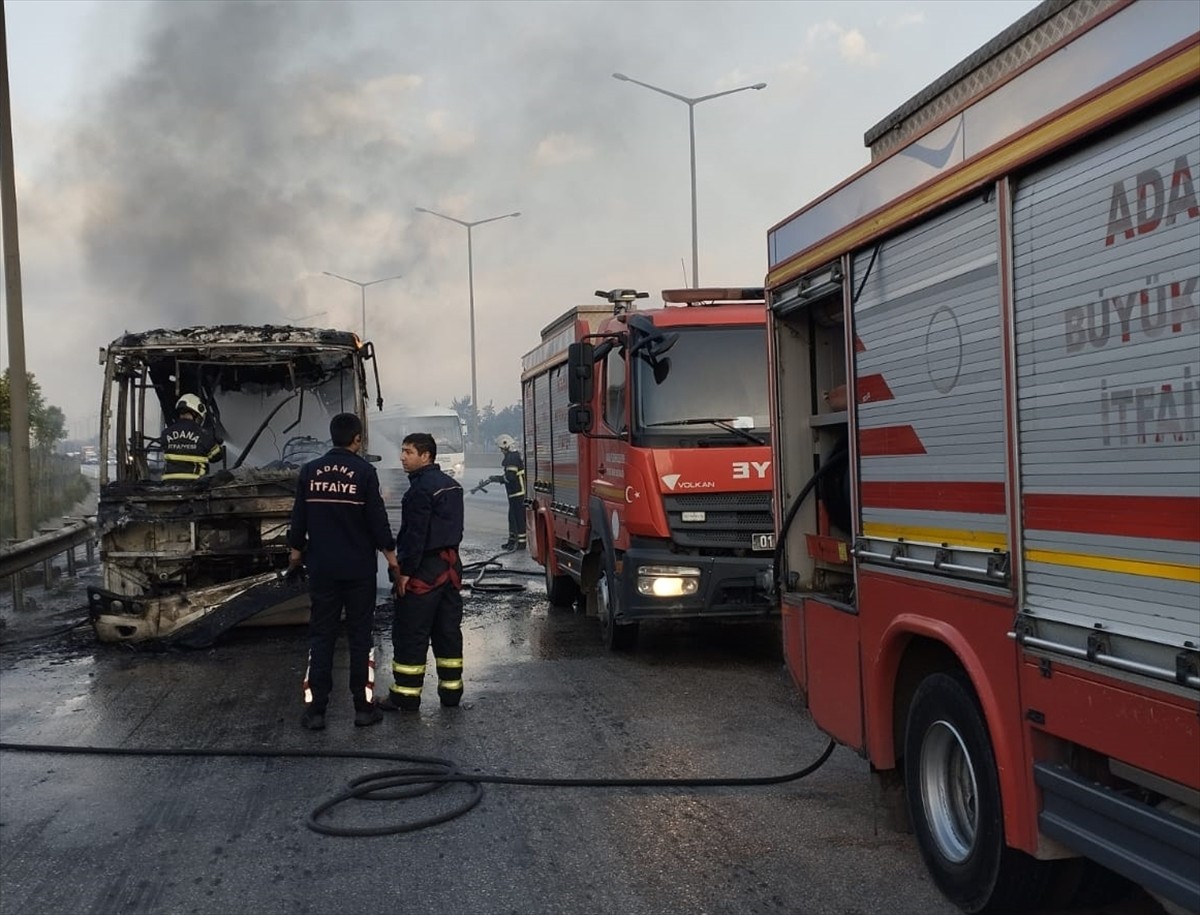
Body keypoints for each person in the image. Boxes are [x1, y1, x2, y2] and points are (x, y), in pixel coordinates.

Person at [287, 412, 400, 730]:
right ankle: (363, 709)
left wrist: (296, 553)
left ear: (332, 437)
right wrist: (391, 557)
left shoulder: (310, 471)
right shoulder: (365, 472)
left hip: (322, 568)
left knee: (321, 637)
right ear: (358, 439)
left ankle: (316, 712)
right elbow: (377, 520)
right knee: (360, 638)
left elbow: (299, 519)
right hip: (358, 570)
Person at [377, 432, 465, 713]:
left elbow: (414, 537)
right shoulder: (452, 486)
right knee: (447, 631)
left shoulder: (418, 491)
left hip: (424, 571)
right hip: (450, 569)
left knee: (410, 633)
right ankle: (451, 694)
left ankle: (405, 695)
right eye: (402, 451)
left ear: (426, 456)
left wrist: (403, 573)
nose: (402, 457)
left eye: (408, 452)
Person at [161, 393, 225, 482]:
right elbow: (216, 457)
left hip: (169, 484)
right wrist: (217, 444)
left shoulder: (166, 433)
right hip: (195, 484)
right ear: (195, 413)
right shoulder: (203, 434)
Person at [488, 434, 526, 551]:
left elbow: (510, 477)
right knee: (512, 518)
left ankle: (521, 543)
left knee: (519, 518)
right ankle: (512, 541)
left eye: (501, 449)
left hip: (518, 492)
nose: (501, 451)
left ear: (505, 446)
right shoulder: (512, 456)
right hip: (514, 493)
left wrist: (497, 479)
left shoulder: (512, 458)